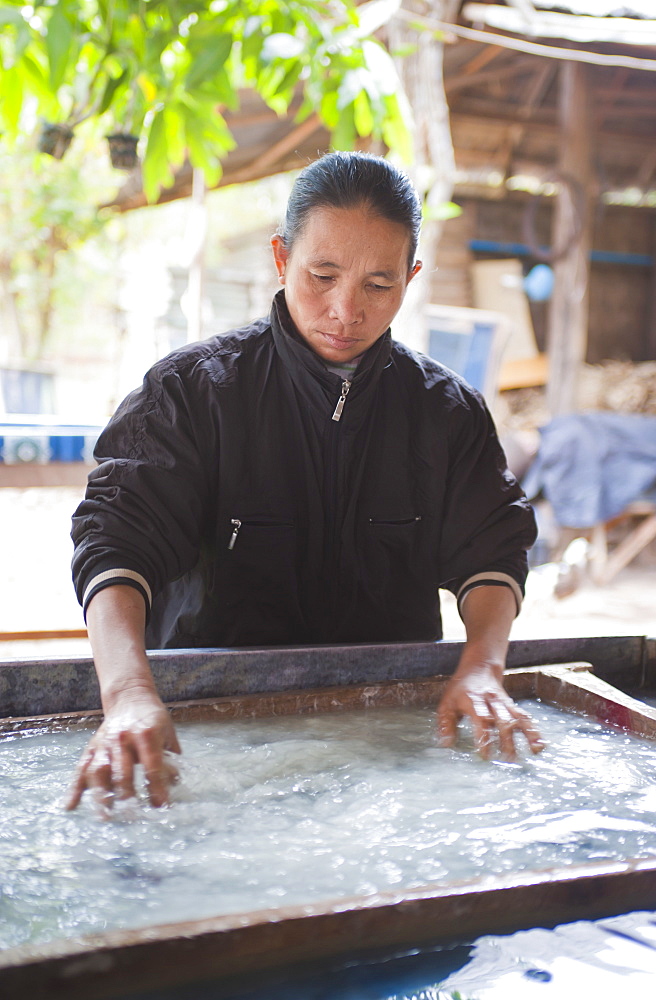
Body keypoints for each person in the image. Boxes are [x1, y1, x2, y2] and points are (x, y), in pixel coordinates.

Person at [68, 151, 543, 813]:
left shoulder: (445, 412)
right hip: (206, 733)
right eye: (323, 274)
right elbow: (117, 542)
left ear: (411, 277)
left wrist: (483, 668)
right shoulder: (192, 393)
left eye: (379, 284)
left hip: (385, 743)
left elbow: (491, 551)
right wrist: (126, 695)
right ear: (282, 258)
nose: (345, 309)